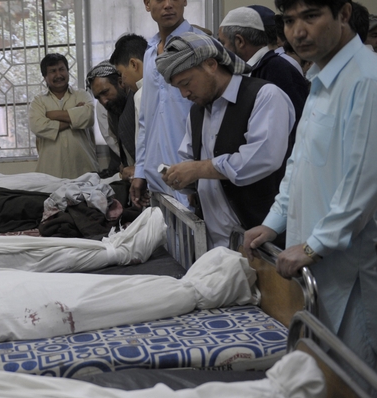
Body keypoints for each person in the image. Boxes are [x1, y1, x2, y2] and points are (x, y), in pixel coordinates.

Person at [244, 0, 377, 370]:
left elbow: (364, 184)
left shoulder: (367, 80)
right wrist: (273, 223)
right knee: (328, 378)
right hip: (314, 266)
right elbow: (299, 166)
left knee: (357, 388)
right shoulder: (321, 79)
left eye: (311, 16)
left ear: (344, 14)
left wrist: (315, 245)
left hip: (350, 272)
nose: (297, 32)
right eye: (288, 20)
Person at [156, 32, 295, 248]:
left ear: (211, 65)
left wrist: (197, 170)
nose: (184, 94)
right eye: (178, 88)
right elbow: (190, 160)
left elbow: (262, 159)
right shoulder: (197, 112)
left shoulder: (264, 96)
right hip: (215, 243)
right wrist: (182, 178)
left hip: (261, 243)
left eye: (186, 82)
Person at [219, 6, 309, 176]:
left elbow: (296, 133)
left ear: (239, 41)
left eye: (223, 43)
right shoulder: (249, 70)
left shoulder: (279, 70)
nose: (222, 50)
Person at [132, 0, 204, 208]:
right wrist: (140, 170)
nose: (168, 5)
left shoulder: (199, 44)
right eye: (160, 0)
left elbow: (213, 115)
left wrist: (201, 174)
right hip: (157, 172)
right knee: (166, 236)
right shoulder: (150, 52)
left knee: (196, 236)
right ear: (147, 4)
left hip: (190, 170)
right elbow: (146, 119)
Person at [29, 53, 98, 179]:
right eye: (53, 71)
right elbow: (38, 126)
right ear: (45, 76)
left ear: (67, 71)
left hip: (84, 169)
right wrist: (75, 116)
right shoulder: (38, 102)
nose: (58, 75)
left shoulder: (82, 95)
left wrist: (51, 115)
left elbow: (89, 117)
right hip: (50, 172)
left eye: (62, 69)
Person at [109, 33, 148, 181]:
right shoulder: (164, 86)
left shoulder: (142, 94)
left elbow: (143, 147)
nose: (123, 82)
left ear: (133, 64)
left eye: (121, 74)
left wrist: (139, 174)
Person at [86, 61, 135, 182]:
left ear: (120, 82)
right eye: (98, 97)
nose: (103, 101)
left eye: (105, 92)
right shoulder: (111, 109)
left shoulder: (138, 99)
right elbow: (114, 140)